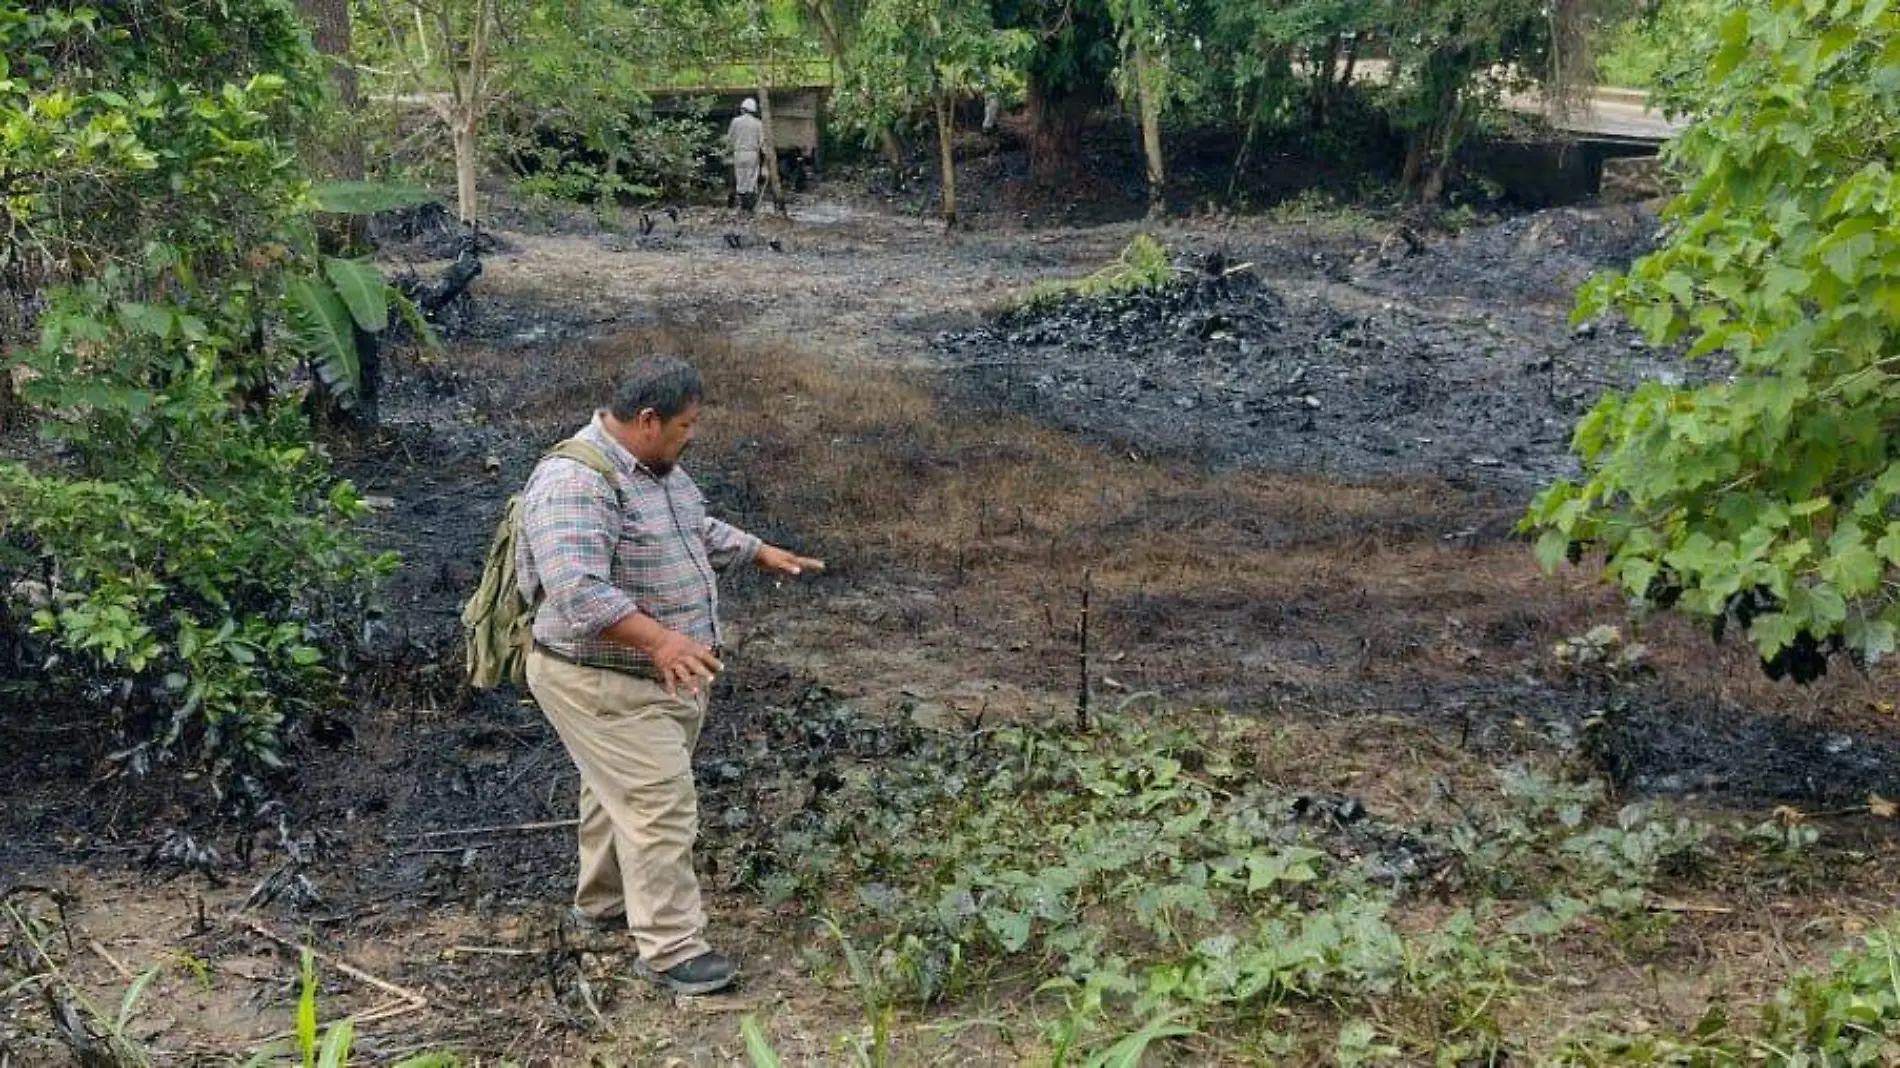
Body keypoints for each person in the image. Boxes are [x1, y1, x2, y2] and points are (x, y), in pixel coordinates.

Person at [515, 353, 823, 995]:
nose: (692, 436)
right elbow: (576, 592)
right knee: (659, 804)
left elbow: (689, 526)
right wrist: (658, 641)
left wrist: (757, 550)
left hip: (649, 680)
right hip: (601, 679)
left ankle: (603, 905)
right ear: (648, 420)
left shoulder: (654, 471)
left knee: (615, 790)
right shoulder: (575, 482)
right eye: (686, 426)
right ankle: (672, 948)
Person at [726, 97, 767, 214]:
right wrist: (766, 160)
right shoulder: (758, 124)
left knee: (740, 180)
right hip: (752, 154)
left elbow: (729, 140)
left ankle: (741, 205)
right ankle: (749, 208)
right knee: (751, 181)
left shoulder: (735, 121)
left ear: (743, 109)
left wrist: (727, 153)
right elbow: (762, 143)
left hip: (738, 153)